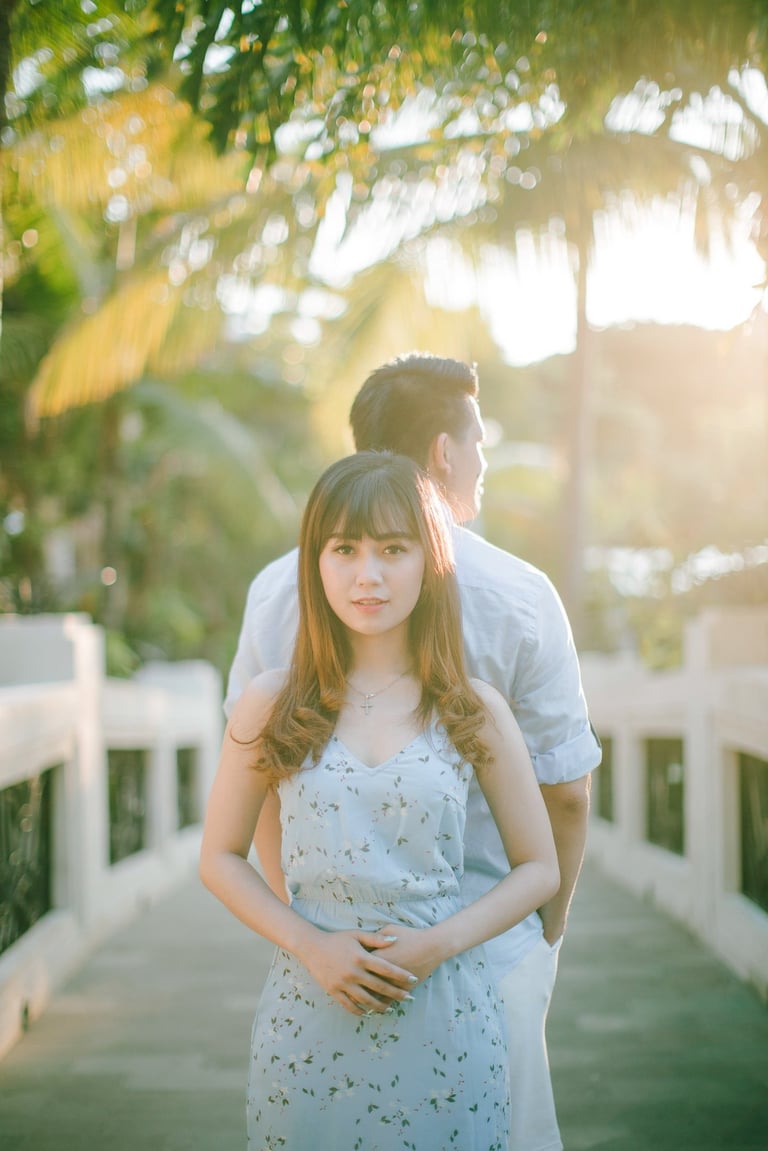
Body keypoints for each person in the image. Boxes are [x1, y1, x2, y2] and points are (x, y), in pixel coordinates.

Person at [225, 352, 601, 1151]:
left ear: (427, 563)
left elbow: (546, 826)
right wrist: (312, 935)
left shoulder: (464, 703)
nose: (368, 574)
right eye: (344, 550)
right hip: (320, 995)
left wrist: (444, 940)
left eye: (394, 550)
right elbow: (569, 793)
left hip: (457, 977)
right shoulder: (279, 692)